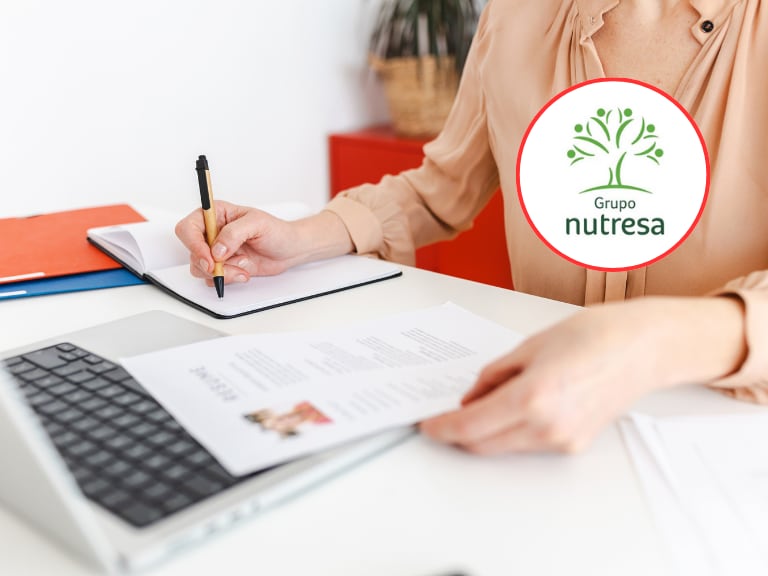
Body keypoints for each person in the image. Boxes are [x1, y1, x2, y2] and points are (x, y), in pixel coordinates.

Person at [176, 0, 768, 454]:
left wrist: (645, 345)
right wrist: (303, 236)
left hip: (727, 437)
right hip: (531, 425)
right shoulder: (515, 15)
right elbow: (440, 189)